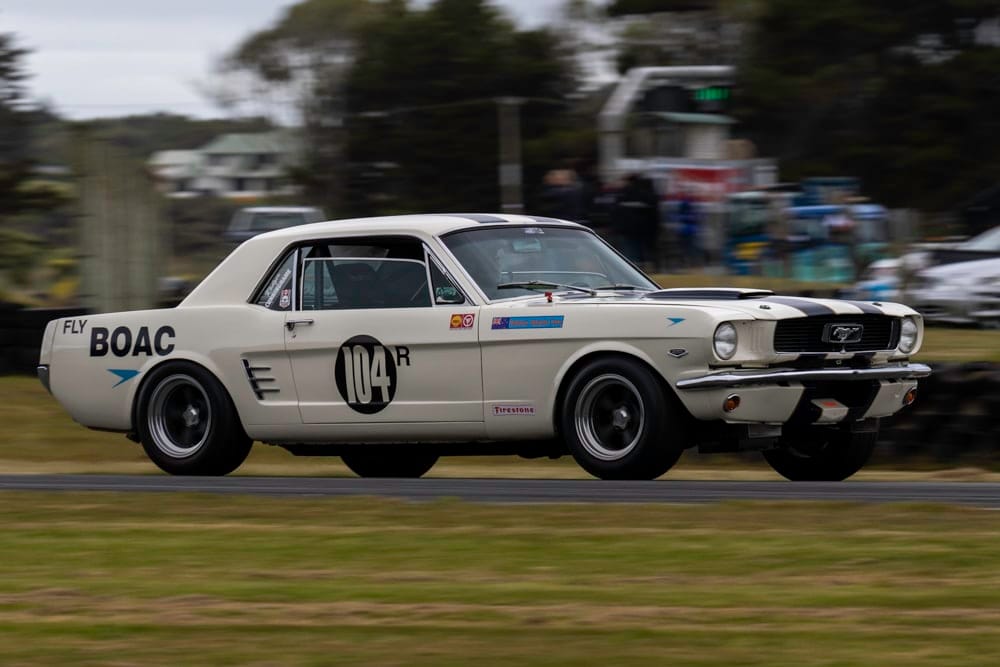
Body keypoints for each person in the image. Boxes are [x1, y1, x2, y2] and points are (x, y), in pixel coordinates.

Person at [613, 174, 659, 267]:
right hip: (645, 230)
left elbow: (616, 211)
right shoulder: (648, 194)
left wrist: (618, 227)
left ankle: (634, 269)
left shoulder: (623, 194)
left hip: (628, 230)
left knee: (631, 253)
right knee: (643, 252)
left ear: (629, 182)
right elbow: (654, 214)